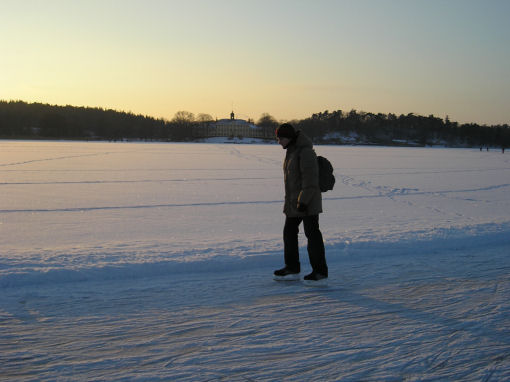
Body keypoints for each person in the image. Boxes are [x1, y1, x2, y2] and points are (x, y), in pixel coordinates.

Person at [274, 123, 328, 281]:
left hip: (307, 202)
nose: (278, 142)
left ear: (289, 138)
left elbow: (310, 180)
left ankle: (320, 271)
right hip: (294, 203)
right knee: (289, 233)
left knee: (312, 235)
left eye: (280, 138)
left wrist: (303, 202)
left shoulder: (305, 152)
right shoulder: (291, 151)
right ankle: (292, 267)